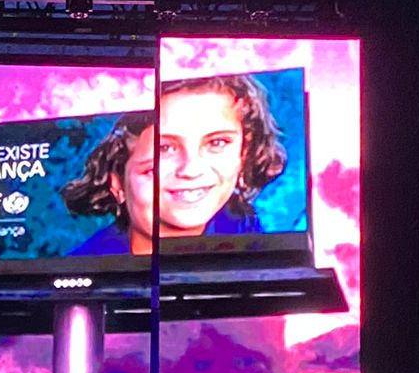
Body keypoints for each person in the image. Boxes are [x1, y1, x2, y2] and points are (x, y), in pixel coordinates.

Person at [62, 72, 288, 255]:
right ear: (117, 184)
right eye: (165, 148)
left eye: (217, 142)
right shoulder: (85, 268)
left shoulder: (260, 246)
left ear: (243, 156)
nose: (191, 169)